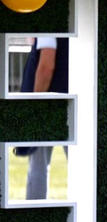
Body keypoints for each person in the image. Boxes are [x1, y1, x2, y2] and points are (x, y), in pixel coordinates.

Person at [20, 37, 69, 200]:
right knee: (82, 166)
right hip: (69, 106)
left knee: (37, 169)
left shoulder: (49, 24)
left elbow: (46, 67)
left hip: (48, 107)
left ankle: (34, 217)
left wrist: (35, 105)